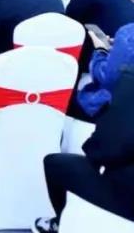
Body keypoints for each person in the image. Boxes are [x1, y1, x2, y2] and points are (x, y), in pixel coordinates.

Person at [34, 70, 134, 233]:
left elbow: (109, 145)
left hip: (125, 197)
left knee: (54, 164)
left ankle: (61, 223)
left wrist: (95, 156)